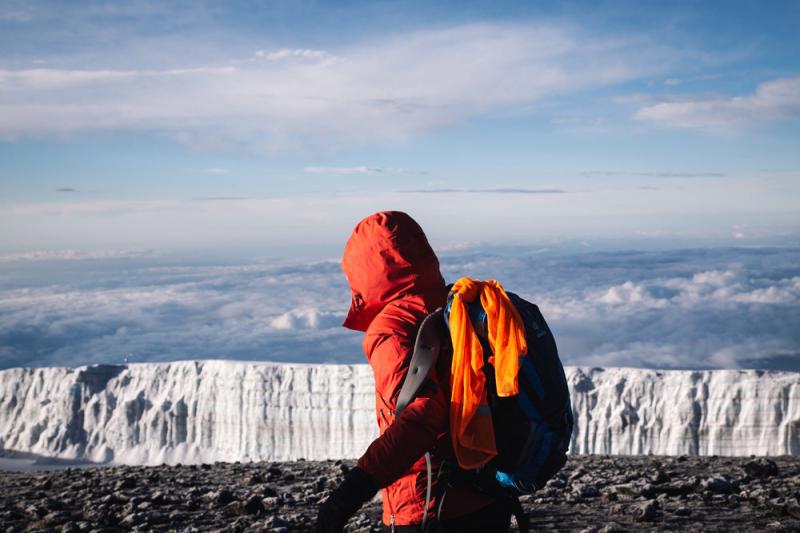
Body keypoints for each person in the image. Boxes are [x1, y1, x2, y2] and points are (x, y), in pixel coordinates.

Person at [316, 211, 512, 533]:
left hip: (431, 507)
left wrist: (348, 495)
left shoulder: (393, 328)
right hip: (488, 495)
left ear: (366, 270)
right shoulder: (456, 305)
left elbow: (421, 418)